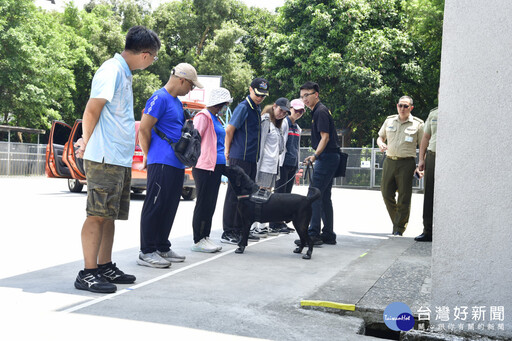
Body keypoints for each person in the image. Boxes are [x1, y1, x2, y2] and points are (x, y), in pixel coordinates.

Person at [73, 26, 161, 293]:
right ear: (145, 54)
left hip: (117, 158)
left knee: (108, 216)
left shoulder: (124, 73)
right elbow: (92, 109)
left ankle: (104, 265)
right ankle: (87, 272)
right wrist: (87, 142)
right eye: (154, 57)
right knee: (97, 215)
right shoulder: (111, 70)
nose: (153, 62)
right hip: (104, 156)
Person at [137, 63, 204, 268]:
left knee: (170, 205)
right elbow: (144, 128)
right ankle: (147, 250)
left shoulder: (176, 102)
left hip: (176, 162)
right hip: (161, 160)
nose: (191, 90)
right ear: (182, 80)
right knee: (155, 204)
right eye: (191, 86)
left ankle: (161, 245)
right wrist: (149, 155)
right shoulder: (159, 98)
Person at [221, 77, 269, 244]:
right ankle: (229, 231)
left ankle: (241, 229)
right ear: (250, 90)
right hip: (239, 157)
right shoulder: (243, 107)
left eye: (263, 95)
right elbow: (230, 130)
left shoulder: (256, 108)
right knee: (234, 195)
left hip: (251, 159)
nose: (260, 98)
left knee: (247, 196)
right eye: (257, 94)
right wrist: (227, 151)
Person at [297, 81, 340, 246]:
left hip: (327, 157)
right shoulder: (319, 111)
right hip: (330, 156)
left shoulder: (320, 111)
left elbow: (325, 137)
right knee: (324, 196)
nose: (304, 100)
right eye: (302, 97)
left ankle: (313, 234)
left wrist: (315, 155)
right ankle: (328, 234)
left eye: (307, 95)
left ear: (316, 94)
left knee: (313, 194)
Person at [191, 88, 233, 252]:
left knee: (211, 203)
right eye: (225, 104)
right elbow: (195, 139)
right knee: (203, 203)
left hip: (216, 166)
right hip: (204, 166)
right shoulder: (203, 116)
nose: (226, 107)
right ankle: (198, 239)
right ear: (219, 104)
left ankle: (205, 236)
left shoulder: (216, 118)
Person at [377, 96, 424, 236]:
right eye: (400, 105)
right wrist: (380, 143)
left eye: (405, 106)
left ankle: (398, 229)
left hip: (406, 163)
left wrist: (421, 165)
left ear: (411, 108)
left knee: (404, 197)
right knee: (386, 193)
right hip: (390, 160)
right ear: (397, 106)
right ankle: (398, 221)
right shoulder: (389, 120)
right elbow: (380, 137)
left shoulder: (418, 124)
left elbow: (423, 145)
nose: (402, 109)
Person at [251, 98, 289, 237]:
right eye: (281, 110)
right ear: (274, 106)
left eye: (285, 113)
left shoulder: (276, 124)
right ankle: (255, 225)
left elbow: (279, 147)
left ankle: (261, 224)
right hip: (264, 165)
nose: (282, 114)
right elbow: (260, 145)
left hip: (273, 166)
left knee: (266, 196)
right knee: (259, 195)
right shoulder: (266, 121)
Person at [270, 98, 305, 234]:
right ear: (290, 109)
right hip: (282, 163)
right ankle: (274, 222)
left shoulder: (297, 128)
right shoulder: (284, 123)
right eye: (296, 110)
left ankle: (281, 221)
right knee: (279, 194)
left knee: (286, 195)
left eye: (301, 111)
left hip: (292, 164)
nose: (298, 113)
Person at [414, 106, 438, 242]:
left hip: (452, 158)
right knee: (429, 193)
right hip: (433, 155)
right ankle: (428, 230)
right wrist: (421, 159)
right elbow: (426, 137)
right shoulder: (434, 113)